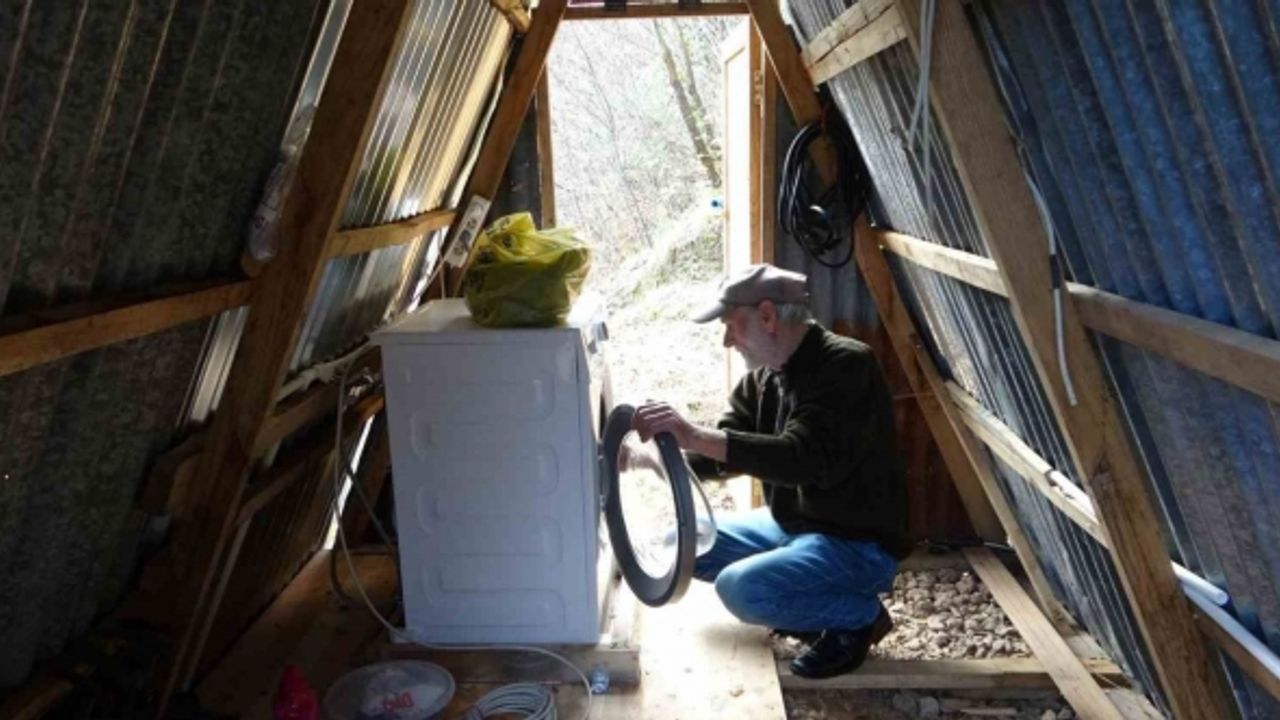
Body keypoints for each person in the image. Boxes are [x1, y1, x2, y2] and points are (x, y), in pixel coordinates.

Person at [632, 263, 907, 679]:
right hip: (793, 525)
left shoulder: (847, 367)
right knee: (681, 544)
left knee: (741, 589)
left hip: (855, 542)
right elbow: (721, 452)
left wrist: (692, 433)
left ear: (767, 316)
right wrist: (647, 459)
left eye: (731, 326)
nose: (727, 341)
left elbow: (800, 458)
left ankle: (858, 617)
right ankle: (809, 598)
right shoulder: (764, 379)